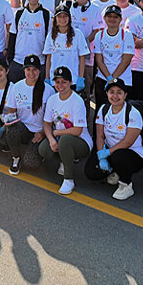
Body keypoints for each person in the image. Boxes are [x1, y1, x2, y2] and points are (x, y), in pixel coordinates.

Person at [85, 78, 143, 200]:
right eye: (111, 92)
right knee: (91, 173)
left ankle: (126, 184)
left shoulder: (132, 113)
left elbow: (127, 142)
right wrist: (101, 155)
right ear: (107, 94)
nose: (115, 95)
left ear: (125, 95)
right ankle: (116, 170)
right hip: (110, 150)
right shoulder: (103, 109)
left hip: (131, 154)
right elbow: (100, 135)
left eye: (119, 92)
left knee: (118, 156)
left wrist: (107, 152)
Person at [38, 66, 93, 194]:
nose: (60, 85)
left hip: (80, 141)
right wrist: (51, 139)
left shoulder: (77, 101)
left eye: (64, 82)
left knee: (65, 140)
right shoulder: (52, 99)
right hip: (59, 138)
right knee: (44, 149)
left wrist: (57, 133)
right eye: (57, 82)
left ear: (71, 82)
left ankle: (69, 179)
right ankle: (64, 159)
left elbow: (78, 130)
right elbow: (46, 124)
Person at [4, 55, 55, 176]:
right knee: (11, 130)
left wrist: (43, 133)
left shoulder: (48, 90)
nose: (31, 73)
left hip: (39, 132)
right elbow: (12, 111)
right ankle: (16, 157)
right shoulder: (17, 87)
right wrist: (7, 124)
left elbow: (52, 118)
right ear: (24, 70)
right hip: (23, 128)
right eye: (28, 69)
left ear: (40, 70)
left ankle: (37, 151)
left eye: (35, 69)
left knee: (31, 163)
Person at [68, 0, 105, 102]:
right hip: (68, 53)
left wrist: (84, 42)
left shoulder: (95, 9)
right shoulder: (67, 7)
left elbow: (97, 29)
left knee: (86, 89)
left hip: (87, 55)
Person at [93, 5, 135, 109]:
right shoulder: (99, 35)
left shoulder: (126, 35)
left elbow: (126, 60)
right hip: (103, 78)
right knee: (101, 109)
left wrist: (113, 80)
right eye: (109, 16)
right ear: (104, 18)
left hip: (123, 79)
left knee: (122, 110)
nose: (112, 19)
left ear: (121, 19)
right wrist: (108, 78)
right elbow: (99, 59)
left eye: (115, 17)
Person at [8, 0, 50, 82]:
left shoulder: (47, 15)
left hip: (39, 63)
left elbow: (50, 40)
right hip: (19, 62)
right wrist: (10, 60)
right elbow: (12, 36)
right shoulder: (18, 14)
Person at [43, 5, 88, 89]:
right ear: (55, 19)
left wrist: (81, 78)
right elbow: (49, 58)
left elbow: (82, 57)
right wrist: (47, 78)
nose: (62, 19)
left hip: (72, 80)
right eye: (59, 16)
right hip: (55, 80)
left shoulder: (77, 34)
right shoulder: (51, 35)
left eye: (65, 16)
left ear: (69, 18)